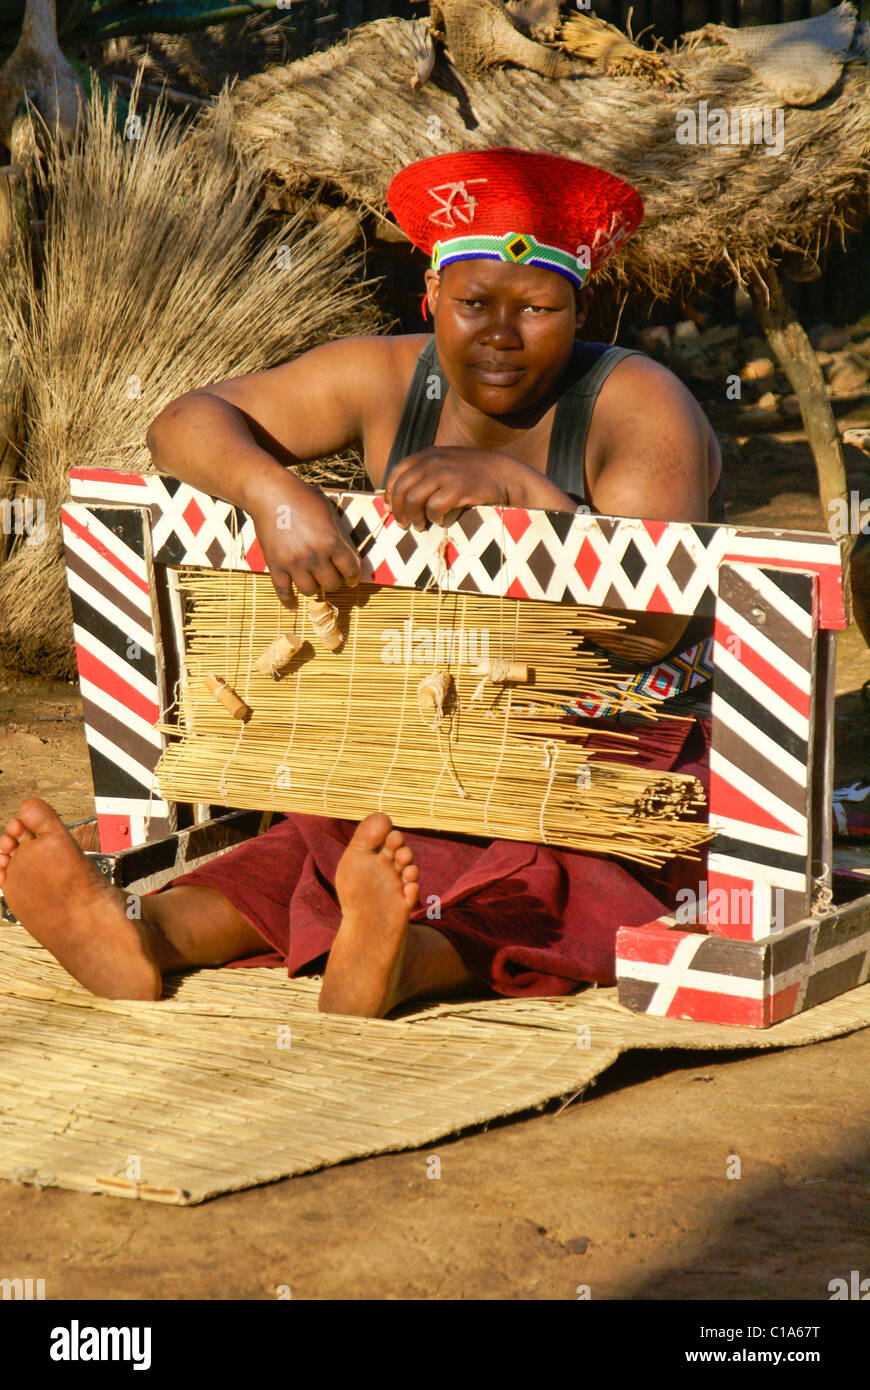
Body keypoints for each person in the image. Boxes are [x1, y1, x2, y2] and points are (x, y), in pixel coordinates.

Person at [0, 148, 723, 1017]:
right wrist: (272, 493)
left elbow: (650, 627)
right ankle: (142, 934)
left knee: (554, 871)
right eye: (471, 306)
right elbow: (183, 424)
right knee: (316, 840)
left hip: (603, 743)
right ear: (430, 299)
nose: (500, 334)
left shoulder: (640, 406)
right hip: (418, 724)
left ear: (578, 310)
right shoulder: (384, 378)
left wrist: (526, 499)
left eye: (537, 308)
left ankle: (401, 956)